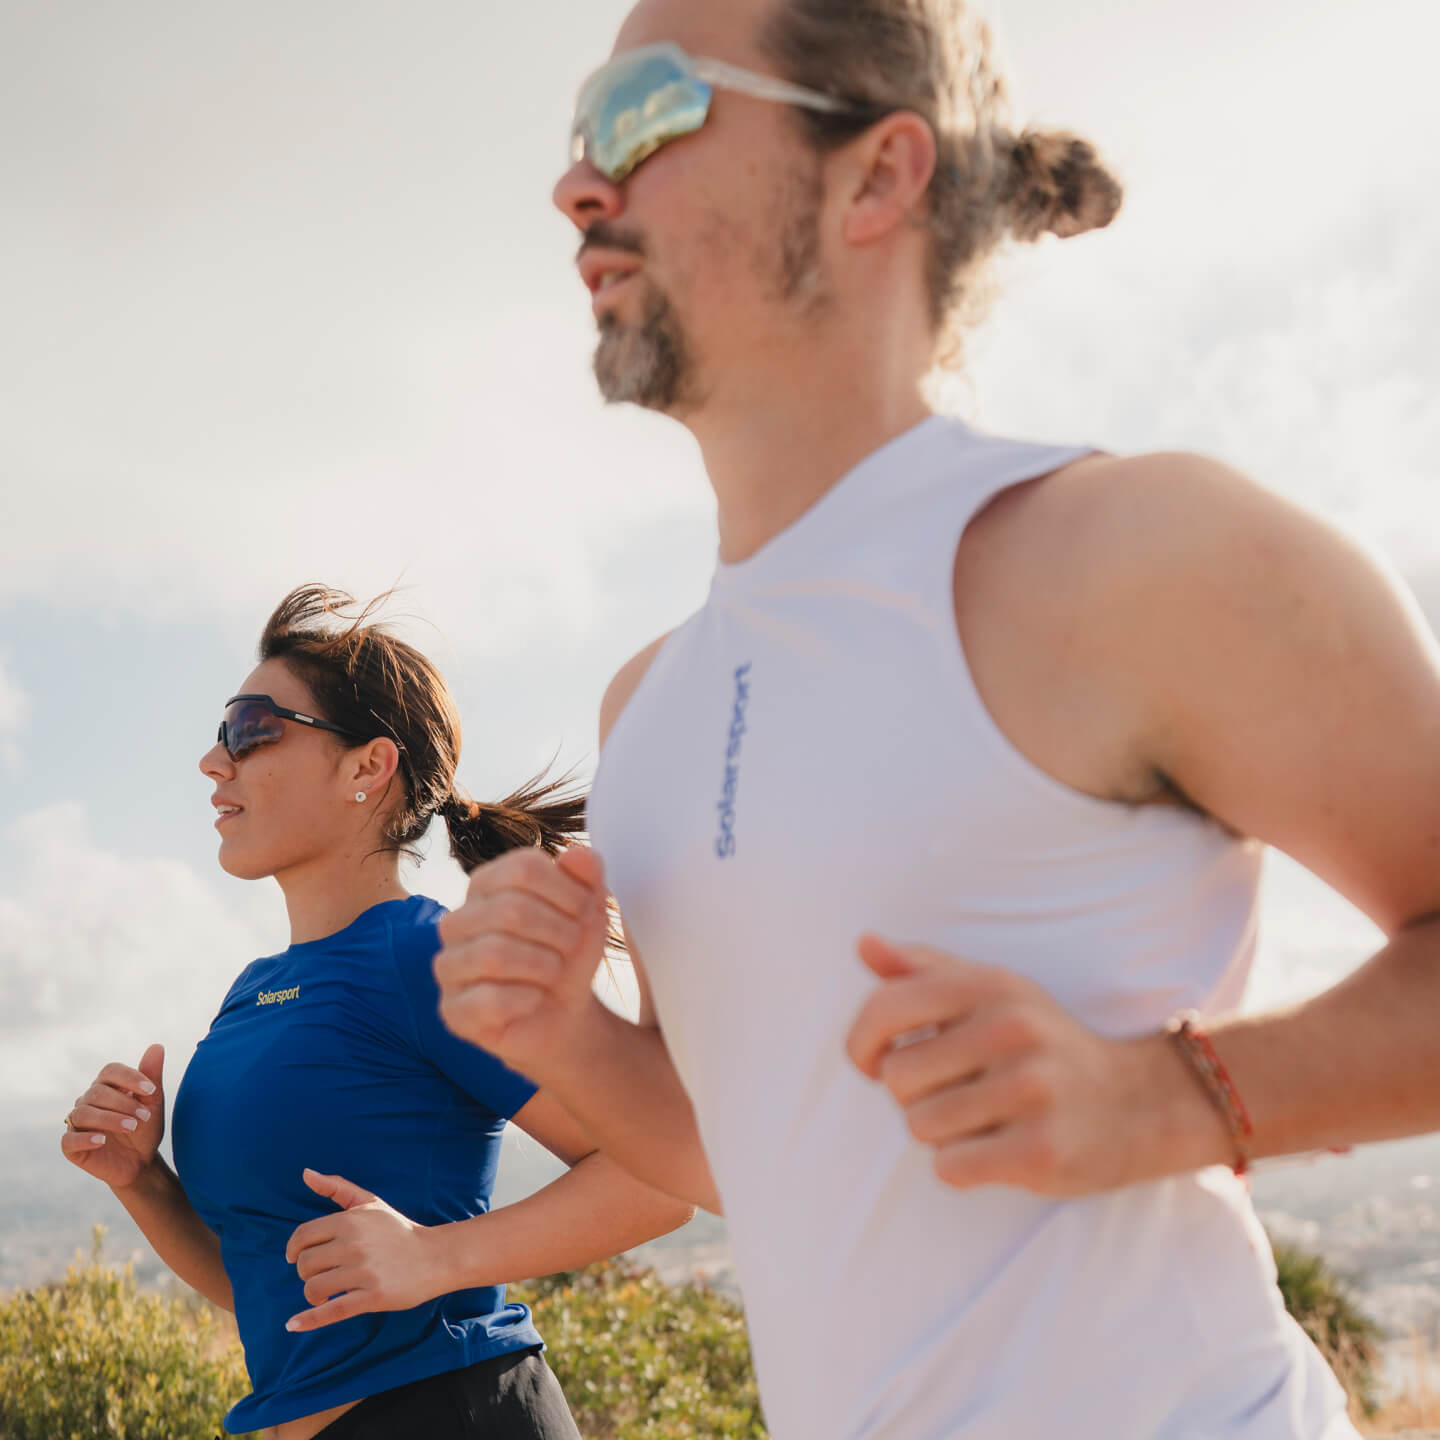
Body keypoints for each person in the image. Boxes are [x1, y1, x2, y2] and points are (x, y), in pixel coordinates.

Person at [431, 2, 1440, 1438]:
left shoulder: (1135, 554)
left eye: (644, 112)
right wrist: (569, 1041)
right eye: (579, 134)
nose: (579, 184)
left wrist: (1170, 1098)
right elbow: (760, 1156)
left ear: (878, 175)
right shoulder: (645, 714)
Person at [61, 584, 693, 1440]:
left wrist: (437, 1259)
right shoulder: (254, 990)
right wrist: (141, 1180)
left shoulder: (421, 952)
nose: (217, 763)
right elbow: (266, 1288)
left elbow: (661, 1176)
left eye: (251, 730)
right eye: (221, 737)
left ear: (368, 767)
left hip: (458, 1409)